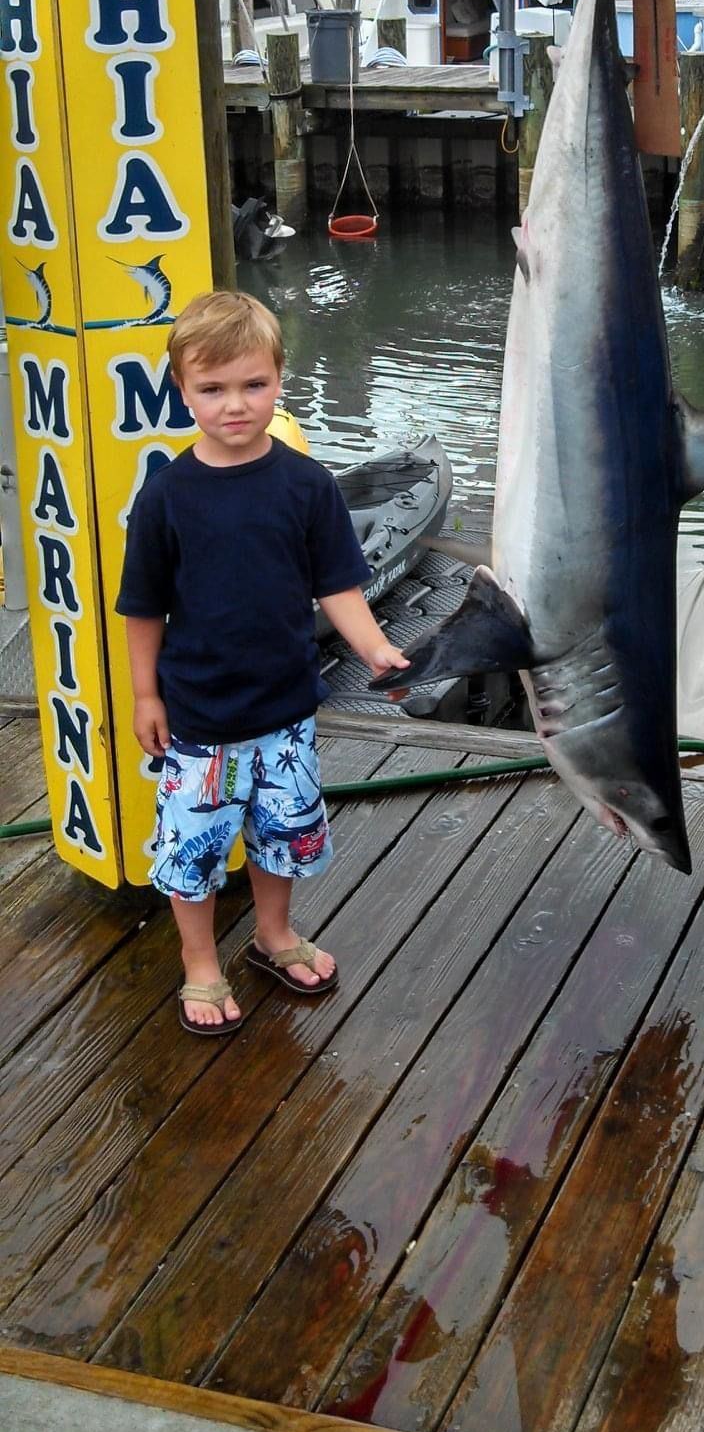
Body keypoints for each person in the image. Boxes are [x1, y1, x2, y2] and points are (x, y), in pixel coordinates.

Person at [116, 291, 408, 1036]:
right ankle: (200, 963)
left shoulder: (308, 486)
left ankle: (274, 935)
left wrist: (376, 648)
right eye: (211, 389)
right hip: (200, 718)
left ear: (280, 380)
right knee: (195, 847)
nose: (234, 405)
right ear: (182, 390)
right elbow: (143, 608)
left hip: (286, 710)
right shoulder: (166, 497)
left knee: (282, 832)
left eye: (253, 385)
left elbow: (336, 584)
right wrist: (145, 694)